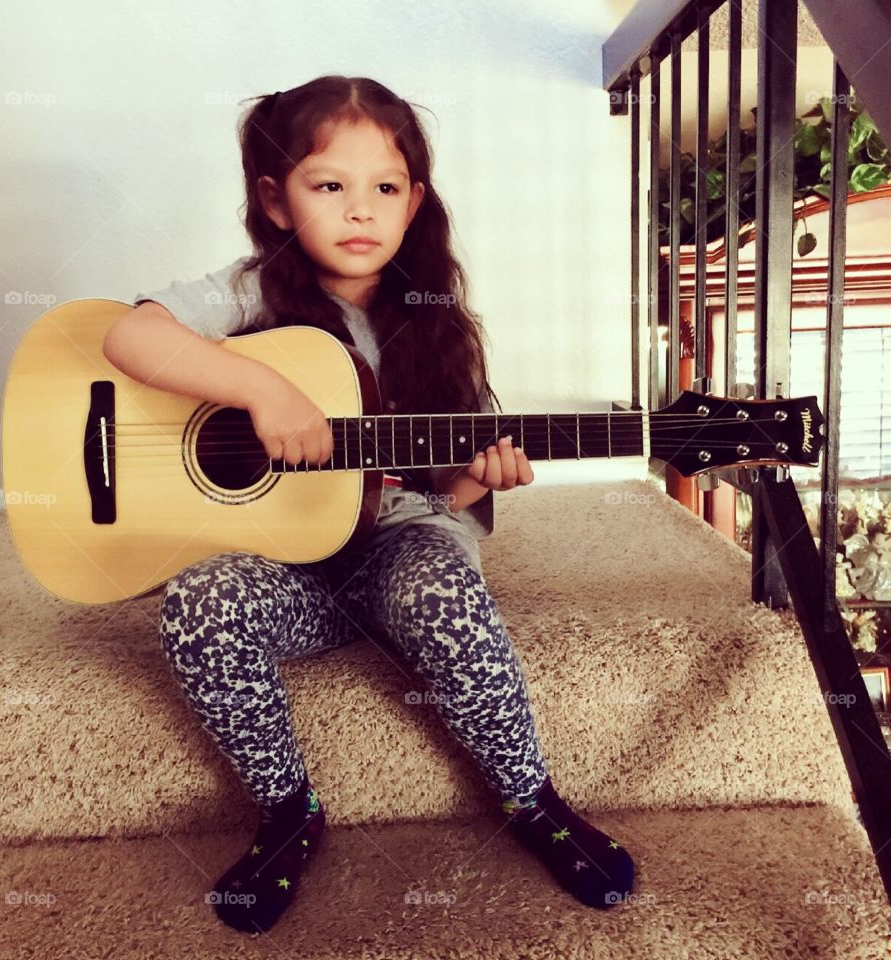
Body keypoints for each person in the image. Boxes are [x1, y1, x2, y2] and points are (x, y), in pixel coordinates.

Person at [103, 75, 635, 935]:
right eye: (329, 186)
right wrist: (261, 390)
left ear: (414, 200)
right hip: (286, 567)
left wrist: (479, 477)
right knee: (198, 600)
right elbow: (127, 335)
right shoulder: (250, 292)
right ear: (276, 202)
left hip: (393, 552)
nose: (361, 211)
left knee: (439, 591)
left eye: (385, 188)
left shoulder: (433, 318)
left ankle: (530, 798)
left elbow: (441, 491)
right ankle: (289, 810)